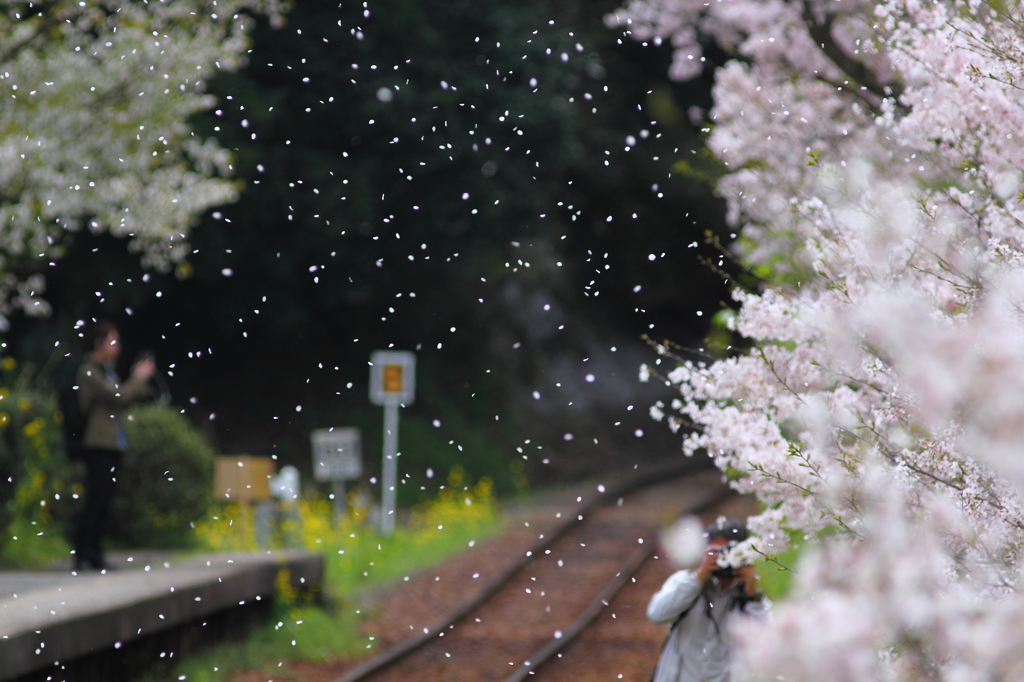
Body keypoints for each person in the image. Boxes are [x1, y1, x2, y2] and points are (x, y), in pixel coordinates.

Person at [73, 320, 155, 571]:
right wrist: (138, 378)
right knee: (97, 499)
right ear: (99, 343)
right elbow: (118, 396)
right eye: (113, 341)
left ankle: (95, 554)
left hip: (112, 444)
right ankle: (84, 555)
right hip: (98, 444)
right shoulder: (89, 371)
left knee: (105, 500)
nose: (117, 347)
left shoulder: (106, 370)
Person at [648, 517, 771, 682]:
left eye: (732, 551)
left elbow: (770, 643)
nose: (725, 558)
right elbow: (657, 614)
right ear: (706, 552)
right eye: (718, 551)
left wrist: (752, 596)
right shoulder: (687, 582)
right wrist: (699, 577)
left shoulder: (752, 596)